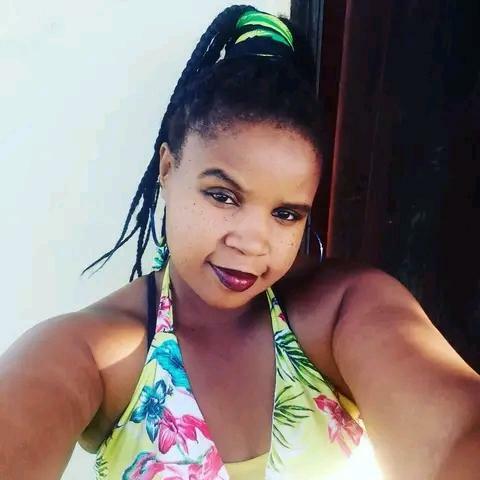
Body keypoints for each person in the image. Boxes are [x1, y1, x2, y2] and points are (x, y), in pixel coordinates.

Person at [1, 5, 479, 480]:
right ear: (168, 168)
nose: (252, 243)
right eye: (223, 196)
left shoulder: (340, 315)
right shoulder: (100, 352)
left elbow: (457, 435)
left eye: (286, 213)